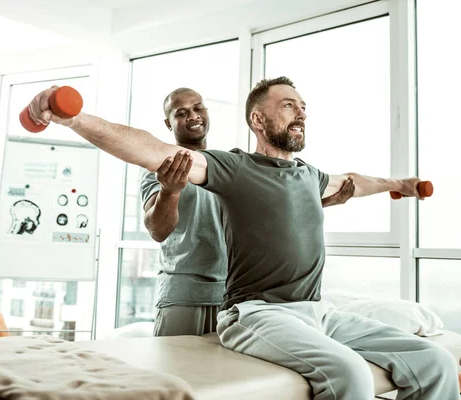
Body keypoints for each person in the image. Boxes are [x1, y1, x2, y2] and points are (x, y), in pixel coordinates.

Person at [26, 77, 458, 399]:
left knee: (434, 361)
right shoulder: (233, 167)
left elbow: (354, 180)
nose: (301, 113)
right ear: (258, 118)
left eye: (303, 106)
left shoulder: (308, 176)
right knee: (350, 375)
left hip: (313, 310)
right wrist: (72, 116)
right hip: (233, 304)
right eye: (288, 105)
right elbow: (148, 152)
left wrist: (399, 183)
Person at [141, 87, 355, 337]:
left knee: (230, 376)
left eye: (198, 108)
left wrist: (323, 202)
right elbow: (157, 230)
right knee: (177, 374)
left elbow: (264, 214)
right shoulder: (160, 168)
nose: (193, 116)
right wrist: (170, 191)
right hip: (185, 296)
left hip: (236, 299)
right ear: (169, 123)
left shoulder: (229, 166)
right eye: (182, 112)